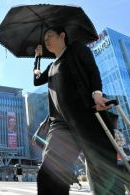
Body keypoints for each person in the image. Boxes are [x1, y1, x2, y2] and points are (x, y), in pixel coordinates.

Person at [34, 26, 129, 195]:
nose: (46, 40)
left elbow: (92, 70)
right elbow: (36, 80)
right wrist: (37, 58)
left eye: (50, 35)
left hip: (87, 117)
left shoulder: (76, 49)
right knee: (49, 174)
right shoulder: (51, 67)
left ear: (62, 35)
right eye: (45, 38)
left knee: (104, 174)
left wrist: (97, 94)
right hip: (60, 124)